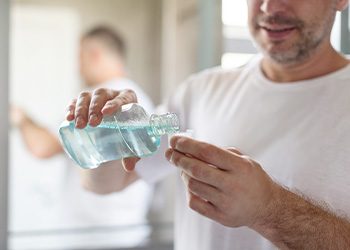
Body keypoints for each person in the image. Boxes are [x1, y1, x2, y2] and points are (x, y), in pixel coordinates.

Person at [66, 0, 350, 249]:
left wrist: (269, 209)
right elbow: (104, 184)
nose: (269, 7)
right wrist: (103, 134)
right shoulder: (201, 91)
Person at [12, 26, 154, 230]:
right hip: (129, 230)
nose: (78, 67)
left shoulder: (97, 100)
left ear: (94, 55)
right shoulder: (140, 99)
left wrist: (20, 117)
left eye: (80, 58)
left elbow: (42, 147)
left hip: (92, 233)